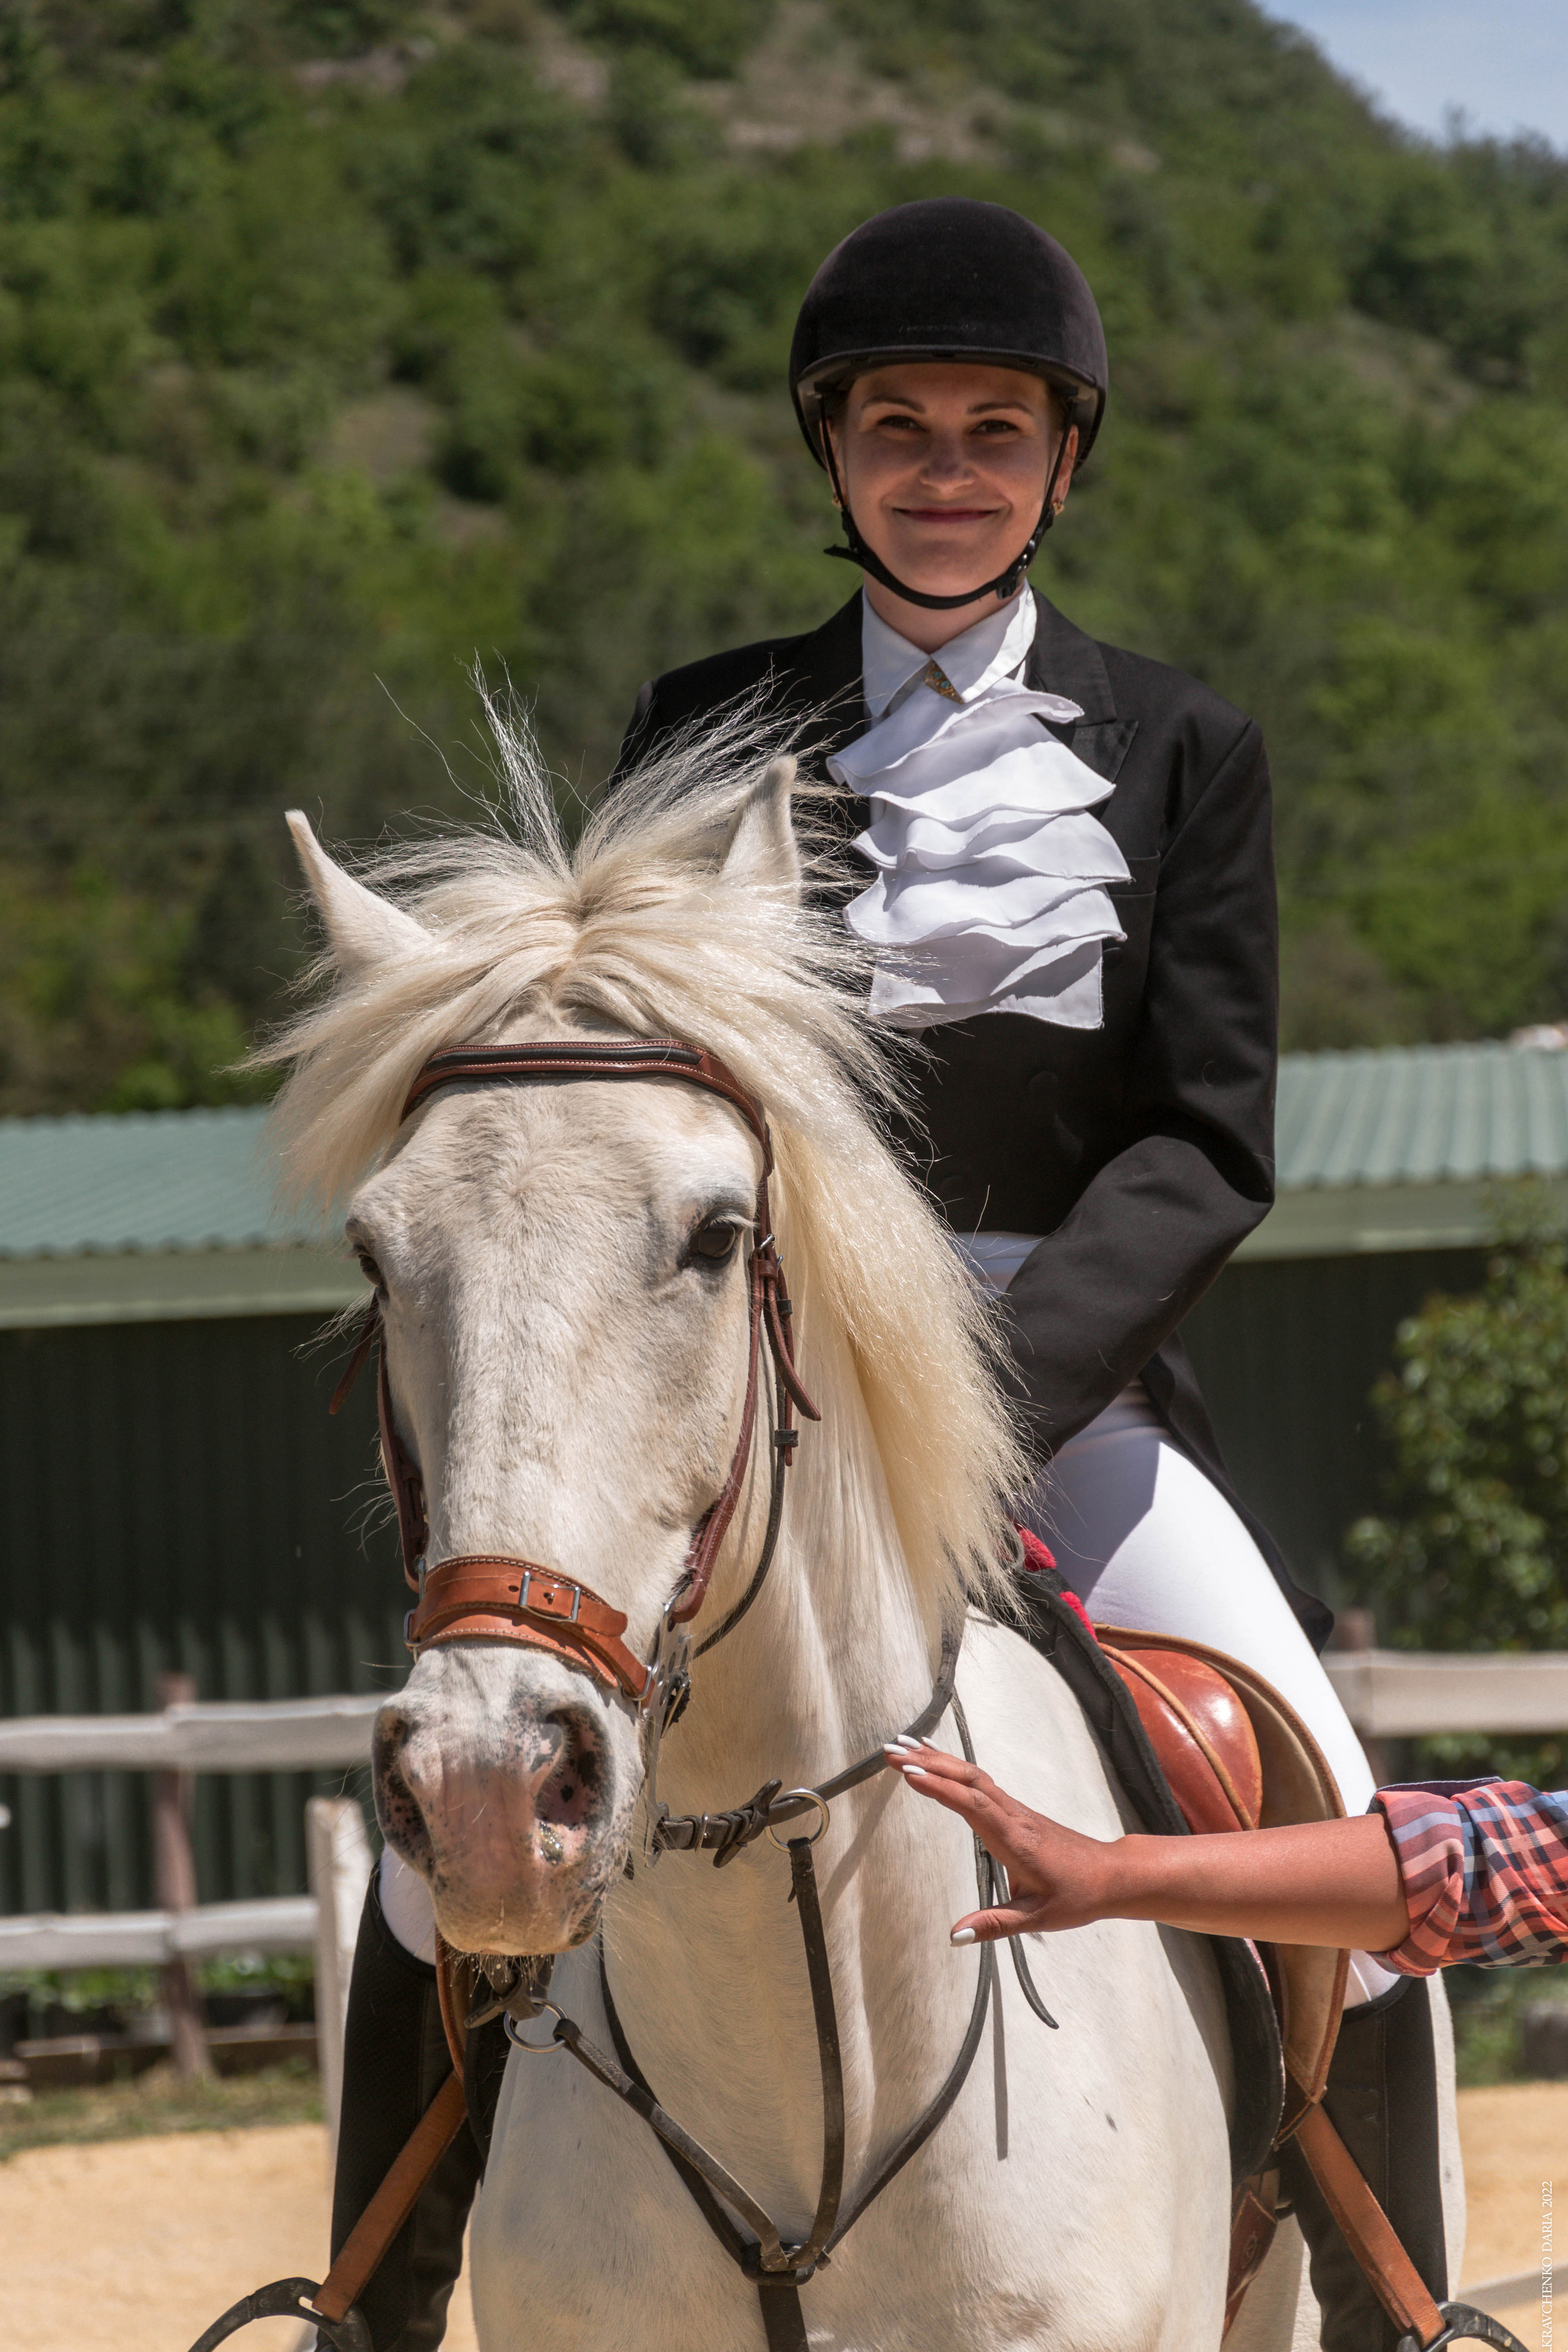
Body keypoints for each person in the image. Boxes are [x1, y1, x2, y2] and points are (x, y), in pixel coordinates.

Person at [327, 198, 1447, 2351]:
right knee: (427, 1847)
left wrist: (988, 1387)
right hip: (736, 1383)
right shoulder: (704, 723)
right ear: (831, 454)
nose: (950, 467)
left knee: (1307, 1765)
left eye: (996, 429)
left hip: (1071, 1399)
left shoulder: (1185, 747)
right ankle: (368, 2300)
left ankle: (1396, 2300)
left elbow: (1209, 1137)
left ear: (1065, 460)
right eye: (903, 426)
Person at [884, 1741, 1568, 1974]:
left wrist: (1112, 1871)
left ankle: (1393, 2298)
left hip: (1105, 1452)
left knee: (1323, 1756)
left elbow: (1495, 1866)